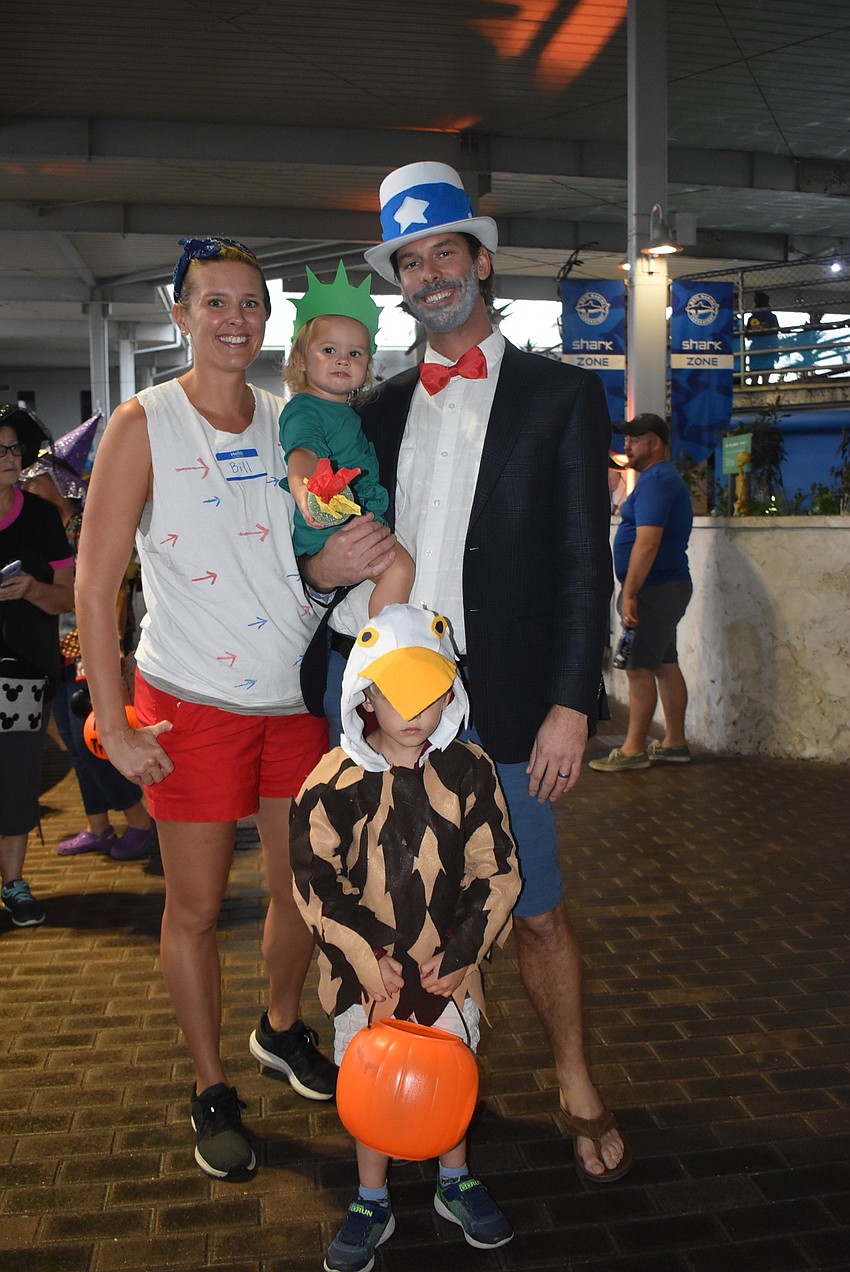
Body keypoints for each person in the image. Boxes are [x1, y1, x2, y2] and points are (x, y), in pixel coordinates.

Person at [300, 162, 631, 1183]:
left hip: (509, 694)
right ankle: (407, 1097)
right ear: (400, 280)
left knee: (529, 903)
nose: (431, 272)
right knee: (390, 912)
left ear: (480, 262)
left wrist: (573, 701)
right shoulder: (381, 406)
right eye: (412, 259)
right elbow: (325, 549)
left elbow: (586, 561)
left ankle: (572, 1077)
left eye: (446, 250)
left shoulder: (563, 396)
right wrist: (318, 575)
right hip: (379, 696)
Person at [75, 236, 336, 1181]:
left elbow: (310, 552)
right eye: (214, 303)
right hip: (189, 703)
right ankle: (210, 1085)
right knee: (193, 908)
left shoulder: (292, 420)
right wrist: (115, 721)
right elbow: (96, 585)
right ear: (179, 313)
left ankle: (278, 1028)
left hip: (294, 699)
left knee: (301, 889)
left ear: (269, 321)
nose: (235, 320)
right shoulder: (143, 425)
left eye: (250, 304)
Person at [290, 604, 520, 1270]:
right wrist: (367, 964)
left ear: (451, 691)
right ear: (365, 695)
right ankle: (371, 1196)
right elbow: (314, 883)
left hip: (447, 971)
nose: (415, 709)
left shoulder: (470, 772)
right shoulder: (331, 784)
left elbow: (497, 869)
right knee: (372, 1087)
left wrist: (458, 956)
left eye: (430, 690)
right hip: (366, 980)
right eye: (395, 692)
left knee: (448, 1072)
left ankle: (456, 1180)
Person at [20, 420, 156, 862]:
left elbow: (111, 593)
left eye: (36, 481)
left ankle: (138, 821)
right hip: (57, 647)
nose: (29, 488)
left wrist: (114, 652)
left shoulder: (84, 525)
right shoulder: (47, 527)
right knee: (76, 745)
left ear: (56, 483)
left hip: (90, 648)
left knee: (93, 741)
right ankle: (98, 825)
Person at [280, 261, 414, 619]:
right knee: (400, 570)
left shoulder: (347, 411)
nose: (343, 359)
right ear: (301, 359)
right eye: (329, 350)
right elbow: (303, 452)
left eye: (355, 353)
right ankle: (384, 651)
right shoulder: (305, 411)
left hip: (348, 520)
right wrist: (308, 492)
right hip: (331, 524)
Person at [0, 406, 75, 927]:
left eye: (12, 449)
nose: (10, 459)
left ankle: (15, 882)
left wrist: (31, 588)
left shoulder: (41, 516)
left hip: (23, 675)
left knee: (19, 777)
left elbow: (67, 596)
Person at [590, 413, 693, 773]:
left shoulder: (657, 480)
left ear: (657, 443)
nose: (628, 445)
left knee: (637, 668)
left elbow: (647, 545)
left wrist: (630, 593)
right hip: (663, 586)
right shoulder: (654, 480)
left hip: (654, 589)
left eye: (636, 439)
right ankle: (674, 743)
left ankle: (633, 749)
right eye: (627, 439)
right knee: (664, 665)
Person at [745, 290, 780, 384]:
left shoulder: (753, 317)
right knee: (765, 378)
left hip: (756, 347)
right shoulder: (771, 317)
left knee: (754, 377)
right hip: (767, 347)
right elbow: (775, 333)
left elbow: (747, 335)